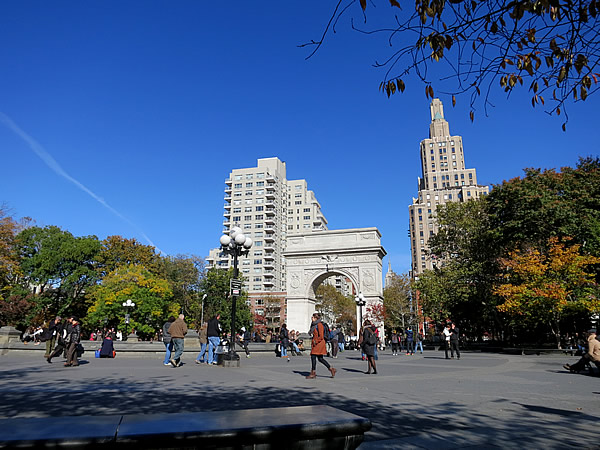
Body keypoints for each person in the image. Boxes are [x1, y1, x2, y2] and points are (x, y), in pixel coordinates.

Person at [305, 313, 336, 379]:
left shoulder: (319, 325)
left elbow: (321, 336)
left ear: (316, 318)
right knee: (320, 359)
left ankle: (313, 373)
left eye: (312, 317)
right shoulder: (314, 325)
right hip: (316, 343)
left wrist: (316, 341)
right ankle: (331, 369)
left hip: (319, 343)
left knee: (313, 357)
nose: (311, 318)